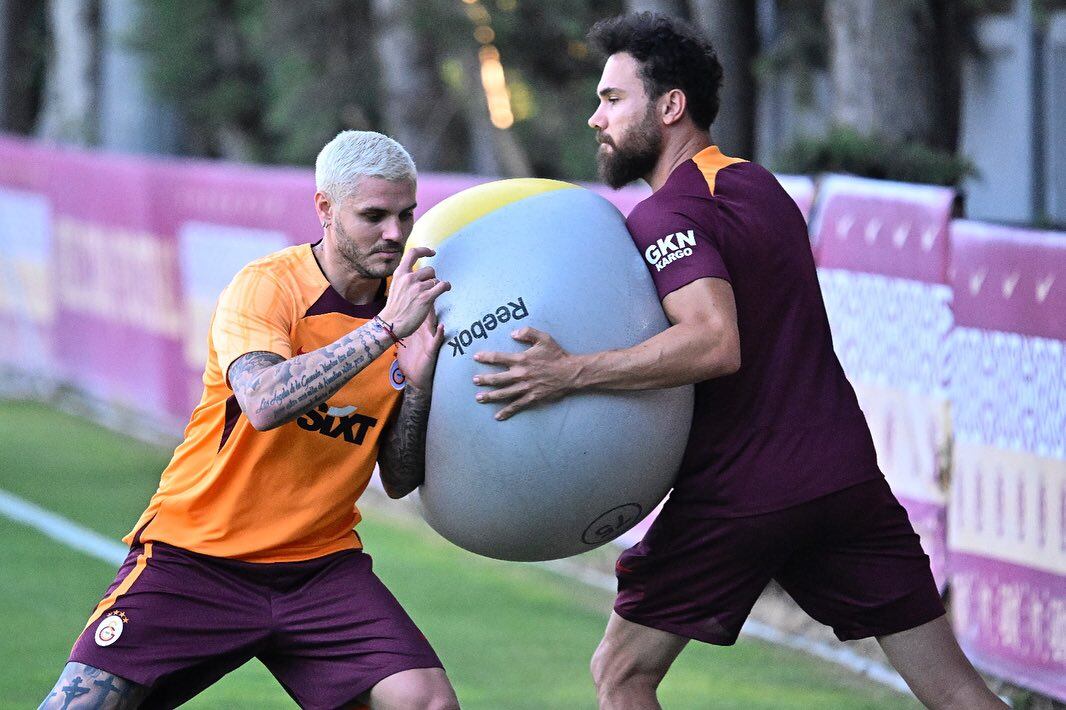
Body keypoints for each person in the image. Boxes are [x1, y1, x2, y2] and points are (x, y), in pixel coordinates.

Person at [471, 13, 1006, 710]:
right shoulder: (758, 185)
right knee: (956, 690)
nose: (595, 118)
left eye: (612, 98)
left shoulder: (665, 215)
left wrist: (566, 371)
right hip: (843, 479)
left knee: (621, 673)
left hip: (743, 491)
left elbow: (713, 342)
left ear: (670, 106)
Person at [40, 131, 459, 710]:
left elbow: (399, 476)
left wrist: (415, 387)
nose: (395, 233)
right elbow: (264, 401)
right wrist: (384, 331)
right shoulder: (267, 286)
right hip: (197, 556)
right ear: (325, 208)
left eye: (405, 214)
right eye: (374, 215)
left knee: (425, 702)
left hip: (319, 568)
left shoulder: (410, 307)